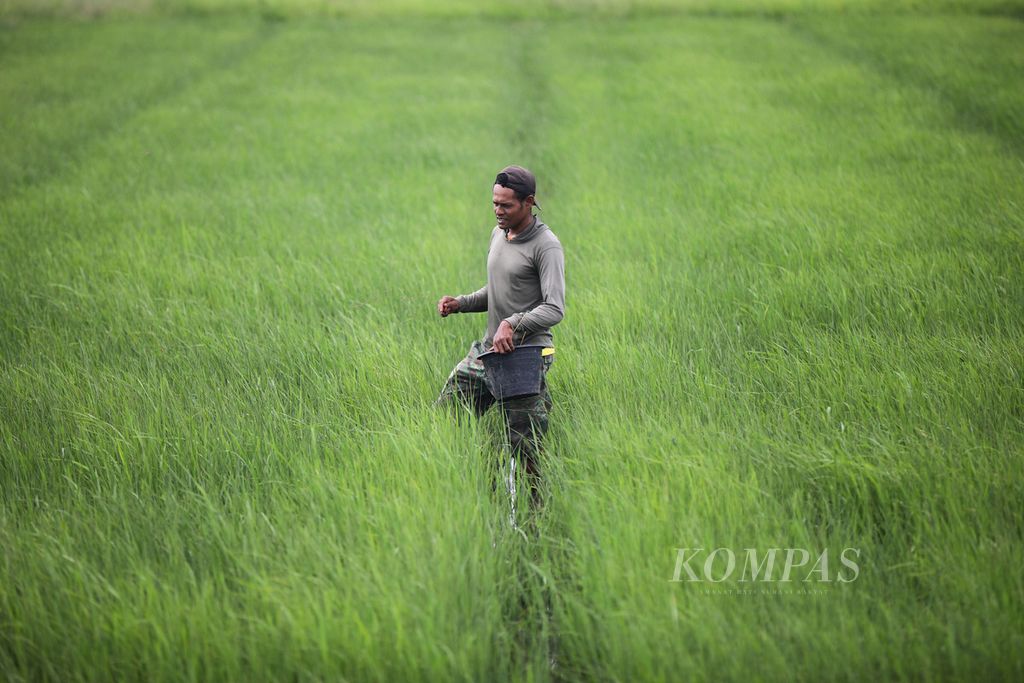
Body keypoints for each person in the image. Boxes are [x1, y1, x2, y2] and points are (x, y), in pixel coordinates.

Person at [435, 165, 565, 509]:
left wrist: (515, 323)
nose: (498, 211)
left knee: (526, 450)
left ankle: (535, 519)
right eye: (495, 203)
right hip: (490, 350)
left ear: (529, 203)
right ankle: (464, 488)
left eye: (506, 205)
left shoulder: (545, 246)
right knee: (448, 415)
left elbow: (555, 308)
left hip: (525, 356)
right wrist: (461, 303)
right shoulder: (498, 233)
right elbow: (497, 290)